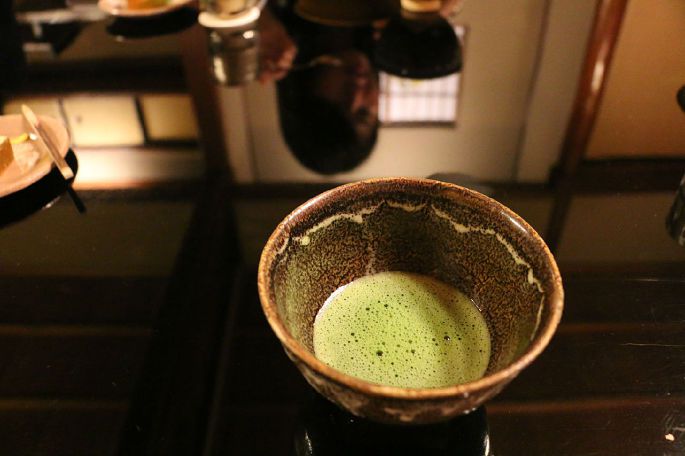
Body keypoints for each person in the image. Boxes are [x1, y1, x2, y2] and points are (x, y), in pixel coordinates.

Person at [258, 5, 380, 174]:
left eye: (337, 106)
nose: (356, 95)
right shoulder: (385, 28)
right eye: (363, 113)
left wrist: (259, 14)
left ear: (305, 97)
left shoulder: (279, 14)